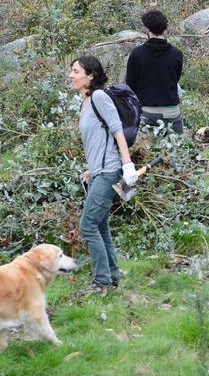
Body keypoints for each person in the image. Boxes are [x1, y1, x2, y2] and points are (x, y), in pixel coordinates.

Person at [69, 56, 139, 294]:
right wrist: (92, 168)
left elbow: (117, 131)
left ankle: (101, 282)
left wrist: (128, 166)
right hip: (99, 171)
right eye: (72, 71)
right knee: (101, 224)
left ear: (90, 75)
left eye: (76, 71)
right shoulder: (84, 103)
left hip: (110, 170)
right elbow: (97, 140)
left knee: (88, 225)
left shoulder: (99, 97)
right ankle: (112, 275)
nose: (71, 75)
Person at [125, 10, 184, 134]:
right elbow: (175, 80)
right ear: (165, 29)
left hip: (147, 111)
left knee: (148, 152)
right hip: (171, 112)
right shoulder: (177, 54)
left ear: (147, 29)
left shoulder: (136, 54)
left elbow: (130, 86)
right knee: (177, 150)